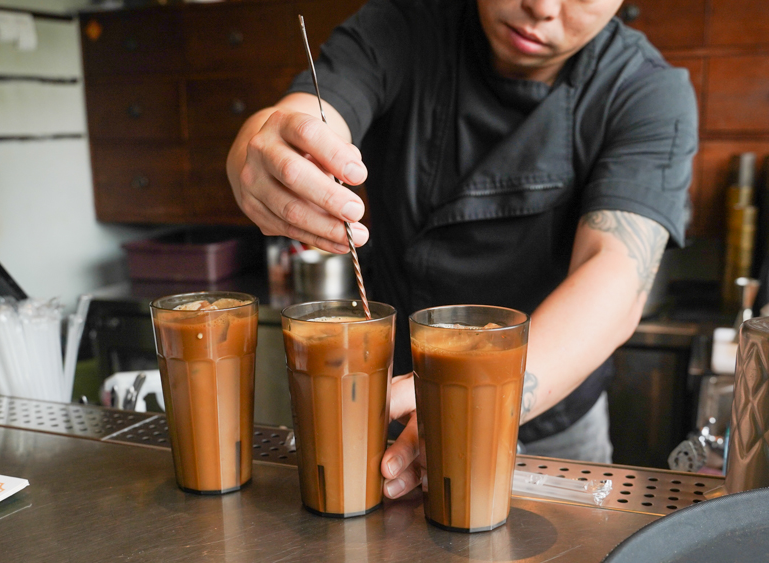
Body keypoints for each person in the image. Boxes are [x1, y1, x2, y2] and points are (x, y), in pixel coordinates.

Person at [226, 0, 697, 501]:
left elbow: (616, 276)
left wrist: (476, 396)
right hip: (393, 416)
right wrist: (265, 150)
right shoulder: (403, 24)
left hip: (556, 436)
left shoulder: (646, 91)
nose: (540, 6)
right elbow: (307, 114)